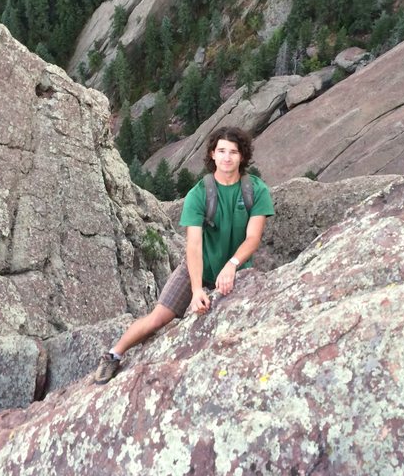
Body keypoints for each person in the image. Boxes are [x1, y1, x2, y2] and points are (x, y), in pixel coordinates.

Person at [94, 126, 275, 384]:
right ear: (212, 154)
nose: (227, 157)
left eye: (233, 152)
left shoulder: (255, 190)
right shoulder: (200, 194)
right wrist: (197, 288)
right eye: (221, 151)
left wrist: (233, 265)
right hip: (196, 268)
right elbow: (193, 246)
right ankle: (113, 355)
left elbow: (253, 238)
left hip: (235, 271)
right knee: (158, 318)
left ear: (242, 156)